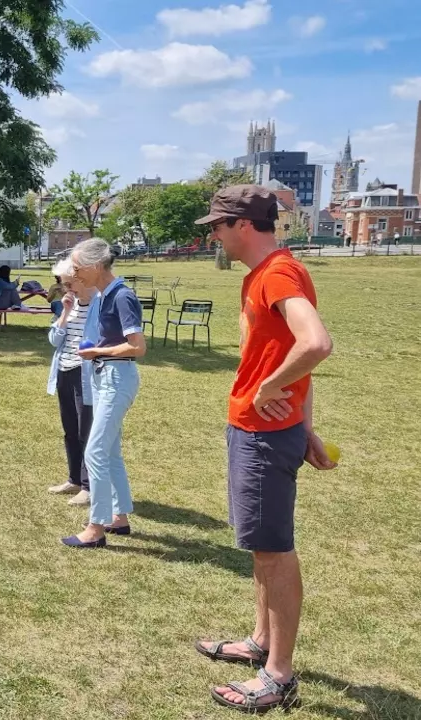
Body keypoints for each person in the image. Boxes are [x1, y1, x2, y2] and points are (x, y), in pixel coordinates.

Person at [192, 185, 334, 714]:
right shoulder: (265, 274)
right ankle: (261, 641)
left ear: (243, 225)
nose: (214, 235)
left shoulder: (276, 273)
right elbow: (296, 356)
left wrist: (271, 391)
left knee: (274, 551)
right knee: (261, 544)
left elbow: (315, 343)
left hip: (263, 434)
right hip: (266, 429)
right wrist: (306, 424)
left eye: (217, 226)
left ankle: (279, 675)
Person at [60, 238, 145, 549]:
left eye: (78, 268)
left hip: (116, 378)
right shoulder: (104, 295)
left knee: (95, 451)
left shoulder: (122, 296)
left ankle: (95, 528)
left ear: (96, 267)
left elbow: (138, 347)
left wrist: (98, 350)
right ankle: (119, 518)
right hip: (105, 375)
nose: (75, 274)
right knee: (109, 452)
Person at [46, 259, 94, 506]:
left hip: (85, 374)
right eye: (64, 285)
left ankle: (88, 486)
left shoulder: (96, 304)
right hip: (63, 371)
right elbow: (54, 339)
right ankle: (74, 479)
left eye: (69, 283)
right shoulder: (70, 304)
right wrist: (64, 313)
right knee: (70, 430)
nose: (67, 289)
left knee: (86, 431)